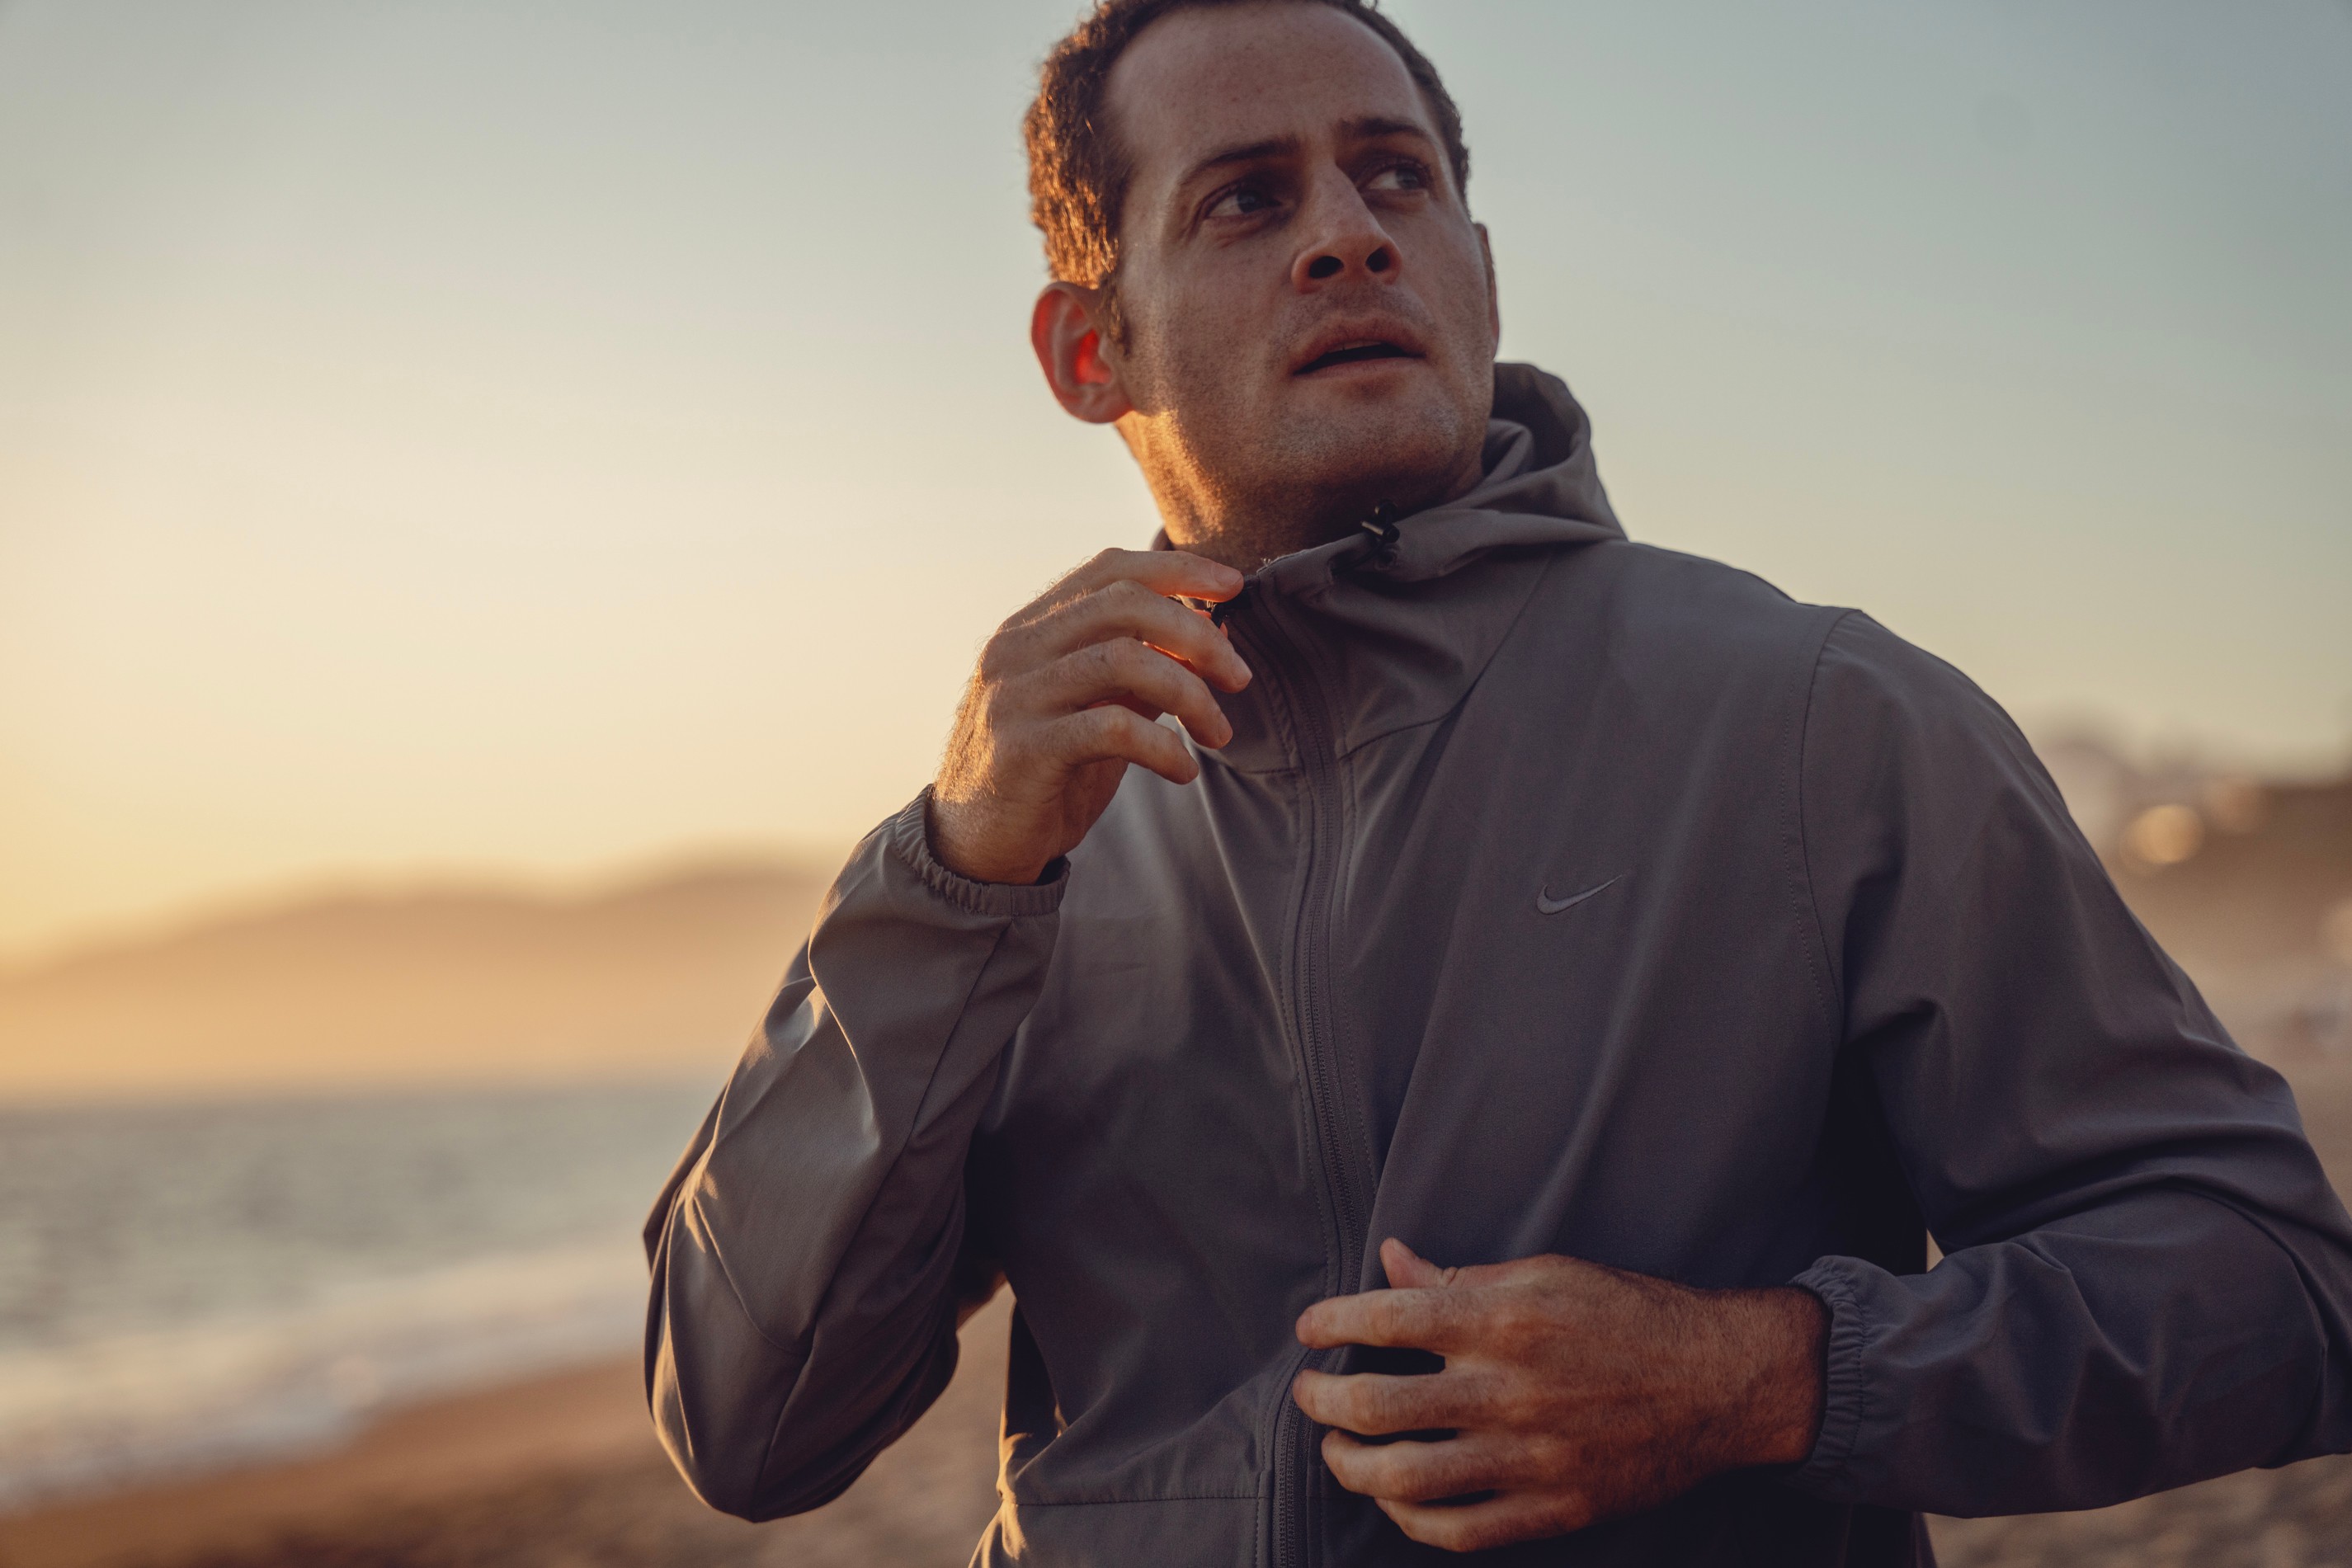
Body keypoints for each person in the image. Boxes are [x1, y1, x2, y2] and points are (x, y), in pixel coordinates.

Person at [642, 2, 2352, 1562]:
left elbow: (2275, 1291)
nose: (1345, 233)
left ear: (1477, 268)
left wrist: (1759, 1378)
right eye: (1246, 199)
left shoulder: (1821, 720)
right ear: (1095, 355)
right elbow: (744, 1426)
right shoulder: (1017, 840)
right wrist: (948, 879)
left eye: (1394, 177)